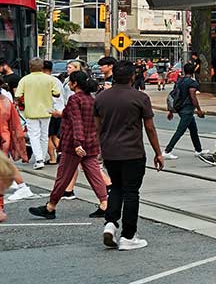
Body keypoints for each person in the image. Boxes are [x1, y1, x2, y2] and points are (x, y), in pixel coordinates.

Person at [87, 62, 165, 250]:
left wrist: (100, 150)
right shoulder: (140, 97)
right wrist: (158, 152)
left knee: (116, 188)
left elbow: (97, 127)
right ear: (132, 77)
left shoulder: (101, 98)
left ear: (113, 75)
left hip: (110, 152)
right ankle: (128, 236)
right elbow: (149, 127)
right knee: (131, 192)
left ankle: (111, 223)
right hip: (133, 152)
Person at [27, 72, 107, 220]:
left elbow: (77, 122)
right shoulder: (91, 99)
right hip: (90, 143)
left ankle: (50, 207)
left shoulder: (74, 99)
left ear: (75, 83)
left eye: (70, 81)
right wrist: (61, 114)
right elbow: (85, 118)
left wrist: (77, 143)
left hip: (74, 145)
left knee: (63, 176)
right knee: (94, 174)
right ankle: (104, 203)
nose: (69, 84)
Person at [17, 58, 62, 168]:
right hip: (47, 111)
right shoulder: (50, 80)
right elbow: (57, 94)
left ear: (30, 67)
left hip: (31, 112)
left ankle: (39, 159)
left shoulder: (25, 80)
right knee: (44, 135)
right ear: (42, 67)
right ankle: (43, 156)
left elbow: (18, 95)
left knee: (34, 135)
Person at [160, 63, 206, 160]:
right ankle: (167, 151)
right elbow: (193, 97)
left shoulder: (179, 81)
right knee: (180, 131)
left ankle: (198, 150)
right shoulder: (192, 83)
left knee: (193, 130)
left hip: (180, 109)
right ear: (193, 71)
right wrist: (199, 110)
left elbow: (174, 95)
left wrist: (171, 110)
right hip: (187, 110)